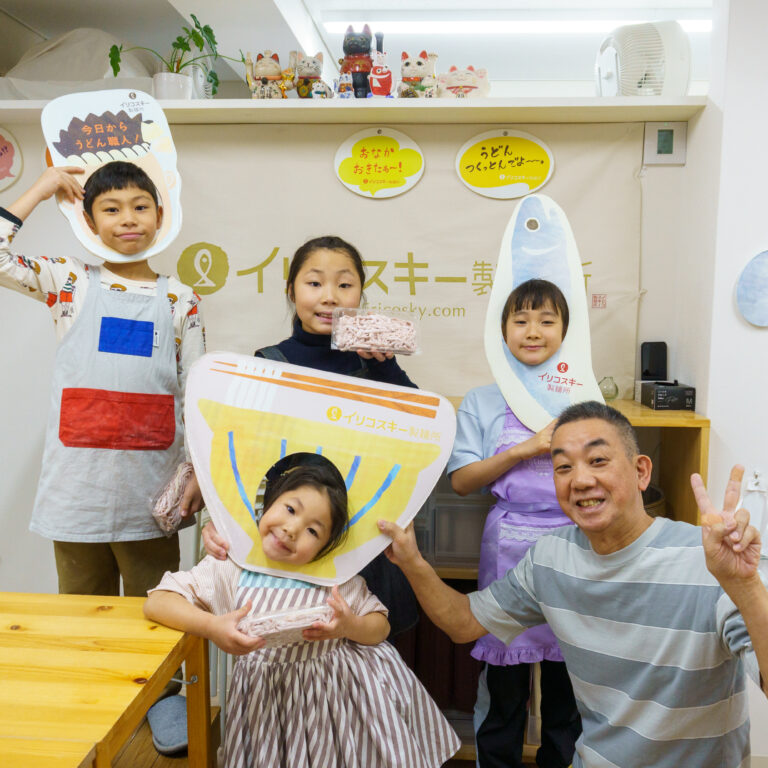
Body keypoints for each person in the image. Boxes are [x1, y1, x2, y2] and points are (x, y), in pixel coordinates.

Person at [380, 401, 768, 768]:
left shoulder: (707, 561)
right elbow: (464, 622)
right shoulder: (550, 559)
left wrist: (746, 585)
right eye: (563, 467)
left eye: (598, 460)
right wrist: (412, 562)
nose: (580, 480)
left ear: (641, 472)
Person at [145, 452, 460, 768]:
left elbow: (380, 625)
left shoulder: (335, 579)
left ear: (327, 547)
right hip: (265, 712)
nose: (293, 529)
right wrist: (211, 626)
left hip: (339, 712)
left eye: (314, 530)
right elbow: (158, 600)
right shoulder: (231, 568)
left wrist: (349, 626)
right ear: (267, 503)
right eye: (290, 509)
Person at [0, 162, 205, 597]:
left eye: (140, 206)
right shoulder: (69, 280)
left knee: (157, 620)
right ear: (89, 222)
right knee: (80, 624)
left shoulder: (180, 298)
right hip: (78, 492)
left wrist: (197, 472)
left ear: (160, 216)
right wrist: (41, 188)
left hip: (151, 493)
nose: (128, 218)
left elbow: (196, 393)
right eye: (111, 209)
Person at [201, 235, 420, 636]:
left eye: (345, 284)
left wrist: (387, 369)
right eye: (314, 283)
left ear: (360, 294)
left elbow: (420, 433)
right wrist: (221, 519)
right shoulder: (268, 363)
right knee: (296, 641)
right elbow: (243, 455)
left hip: (362, 528)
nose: (330, 297)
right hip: (296, 537)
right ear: (291, 291)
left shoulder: (376, 366)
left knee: (369, 640)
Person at [449, 278, 580, 768]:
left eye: (547, 320)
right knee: (504, 692)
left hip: (575, 550)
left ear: (566, 331)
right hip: (508, 551)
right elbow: (462, 481)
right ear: (501, 330)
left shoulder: (583, 397)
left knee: (570, 694)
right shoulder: (483, 400)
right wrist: (526, 449)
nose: (533, 331)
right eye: (520, 320)